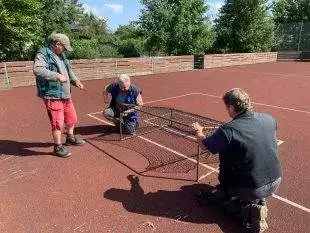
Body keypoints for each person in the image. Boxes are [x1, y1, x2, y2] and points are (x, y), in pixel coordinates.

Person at [192, 88, 282, 233]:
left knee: (220, 199)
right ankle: (261, 201)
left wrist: (198, 131)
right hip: (276, 179)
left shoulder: (228, 130)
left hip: (252, 187)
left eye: (227, 107)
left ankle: (248, 212)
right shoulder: (269, 119)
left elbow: (204, 146)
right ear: (249, 102)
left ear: (231, 107)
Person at [33, 33, 85, 158]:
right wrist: (56, 76)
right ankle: (57, 146)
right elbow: (38, 70)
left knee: (71, 117)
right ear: (56, 44)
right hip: (53, 95)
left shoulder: (62, 55)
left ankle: (70, 137)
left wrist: (75, 81)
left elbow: (69, 70)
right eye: (64, 47)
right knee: (58, 122)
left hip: (65, 94)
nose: (66, 49)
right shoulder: (43, 54)